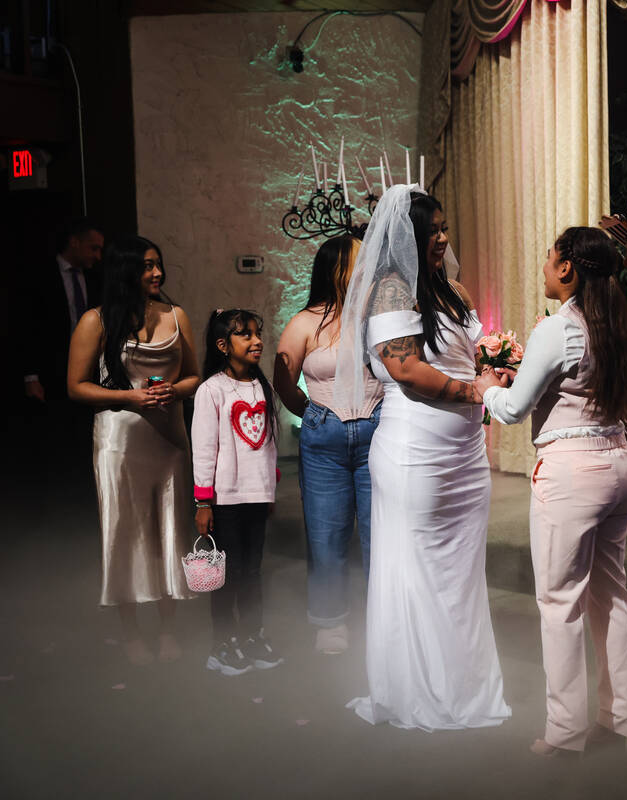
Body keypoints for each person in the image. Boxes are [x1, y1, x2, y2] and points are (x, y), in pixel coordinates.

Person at [338, 186, 511, 730]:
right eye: (431, 230)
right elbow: (406, 370)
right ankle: (416, 691)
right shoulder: (391, 291)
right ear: (405, 238)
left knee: (460, 577)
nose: (442, 238)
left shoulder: (449, 289)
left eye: (443, 228)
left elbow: (471, 355)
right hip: (416, 453)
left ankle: (464, 687)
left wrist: (498, 370)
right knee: (417, 572)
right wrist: (474, 392)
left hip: (463, 455)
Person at [476, 227, 627, 756]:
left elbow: (513, 408)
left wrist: (487, 387)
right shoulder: (612, 322)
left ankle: (566, 733)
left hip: (573, 472)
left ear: (568, 268)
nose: (545, 267)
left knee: (560, 603)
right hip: (620, 465)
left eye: (548, 258)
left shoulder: (556, 328)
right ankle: (618, 720)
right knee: (610, 594)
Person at [67, 236, 199, 665]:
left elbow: (196, 376)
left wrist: (173, 391)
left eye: (158, 264)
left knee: (170, 531)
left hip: (169, 437)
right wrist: (129, 397)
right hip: (119, 440)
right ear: (126, 271)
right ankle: (130, 633)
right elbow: (76, 387)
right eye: (146, 266)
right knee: (125, 532)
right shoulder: (96, 321)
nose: (156, 273)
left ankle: (167, 629)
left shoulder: (176, 315)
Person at [274, 235, 383, 655]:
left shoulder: (378, 318)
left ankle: (382, 620)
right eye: (360, 260)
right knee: (326, 535)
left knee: (380, 535)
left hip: (377, 430)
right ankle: (330, 621)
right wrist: (311, 412)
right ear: (338, 269)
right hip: (325, 438)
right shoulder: (304, 322)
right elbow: (282, 379)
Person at [192, 309, 284, 676]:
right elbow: (204, 448)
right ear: (222, 345)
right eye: (245, 335)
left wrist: (269, 489)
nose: (256, 341)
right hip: (225, 499)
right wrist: (203, 501)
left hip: (256, 496)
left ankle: (251, 637)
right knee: (227, 575)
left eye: (257, 333)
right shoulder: (211, 390)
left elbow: (269, 444)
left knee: (252, 571)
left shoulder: (261, 386)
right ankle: (222, 644)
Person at [21, 217, 105, 464]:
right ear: (74, 243)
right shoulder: (40, 275)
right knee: (55, 438)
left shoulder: (94, 278)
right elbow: (28, 327)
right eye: (93, 248)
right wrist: (31, 376)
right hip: (52, 368)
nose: (98, 256)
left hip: (90, 368)